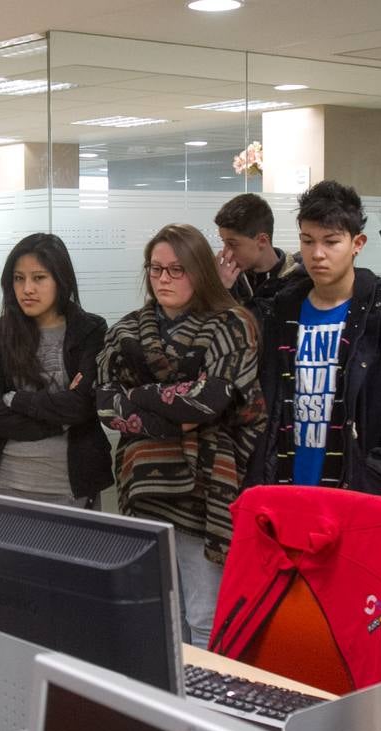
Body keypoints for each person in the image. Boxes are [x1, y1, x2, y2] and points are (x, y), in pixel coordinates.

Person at [97, 223, 267, 646]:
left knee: (205, 613)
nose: (164, 279)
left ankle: (206, 688)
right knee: (160, 610)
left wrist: (138, 395)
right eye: (156, 269)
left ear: (200, 271)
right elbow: (106, 406)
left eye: (177, 270)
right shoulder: (126, 330)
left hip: (204, 489)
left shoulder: (231, 324)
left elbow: (209, 402)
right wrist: (176, 410)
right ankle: (168, 688)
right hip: (143, 487)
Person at [251, 181, 381, 500]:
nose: (317, 254)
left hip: (355, 495)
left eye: (331, 241)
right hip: (283, 490)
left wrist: (369, 480)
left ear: (357, 243)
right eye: (308, 241)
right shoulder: (278, 314)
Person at [0, 233, 112, 508]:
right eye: (19, 278)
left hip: (73, 486)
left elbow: (82, 406)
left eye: (39, 278)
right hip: (8, 482)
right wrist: (59, 419)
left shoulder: (90, 330)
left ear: (60, 280)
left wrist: (17, 400)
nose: (27, 289)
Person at [213, 192, 299, 319]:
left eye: (232, 244)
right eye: (224, 242)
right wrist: (221, 290)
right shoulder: (228, 281)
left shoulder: (297, 282)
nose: (226, 252)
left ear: (262, 241)